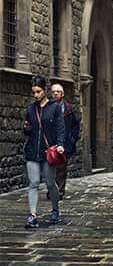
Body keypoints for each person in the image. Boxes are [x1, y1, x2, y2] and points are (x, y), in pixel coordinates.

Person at [23, 75, 65, 228]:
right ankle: (32, 215)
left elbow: (61, 128)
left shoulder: (54, 108)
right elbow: (27, 131)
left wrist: (60, 144)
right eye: (33, 92)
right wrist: (26, 129)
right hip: (32, 151)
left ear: (45, 91)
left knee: (49, 183)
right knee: (33, 183)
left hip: (49, 152)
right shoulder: (30, 109)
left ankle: (55, 209)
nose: (36, 95)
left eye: (38, 92)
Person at [49, 82, 79, 200]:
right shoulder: (48, 107)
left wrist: (72, 138)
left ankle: (59, 191)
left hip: (65, 142)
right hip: (51, 141)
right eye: (53, 92)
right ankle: (52, 189)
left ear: (62, 94)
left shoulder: (68, 109)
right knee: (50, 167)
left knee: (61, 167)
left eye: (58, 92)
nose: (55, 93)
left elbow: (75, 125)